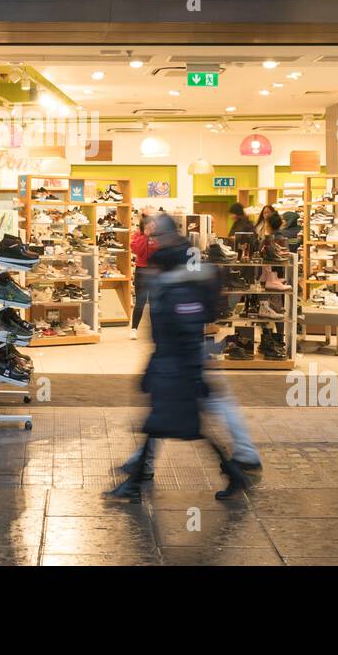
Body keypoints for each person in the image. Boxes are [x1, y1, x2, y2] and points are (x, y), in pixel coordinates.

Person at [108, 214, 254, 503]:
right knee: (168, 422)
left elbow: (187, 322)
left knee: (178, 423)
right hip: (175, 360)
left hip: (181, 362)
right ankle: (139, 473)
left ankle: (238, 467)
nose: (152, 242)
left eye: (155, 236)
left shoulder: (179, 280)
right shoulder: (174, 271)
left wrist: (190, 362)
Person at [130, 214, 155, 339]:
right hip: (141, 271)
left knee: (155, 302)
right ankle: (134, 328)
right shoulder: (137, 235)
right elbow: (137, 251)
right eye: (149, 224)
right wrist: (145, 236)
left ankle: (156, 330)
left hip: (156, 271)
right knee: (140, 301)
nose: (152, 226)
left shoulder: (158, 237)